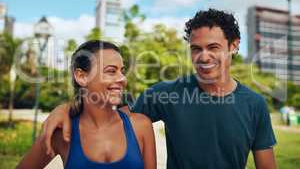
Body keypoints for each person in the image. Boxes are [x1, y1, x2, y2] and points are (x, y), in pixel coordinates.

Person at [41, 9, 277, 169]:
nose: (203, 56)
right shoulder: (166, 94)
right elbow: (107, 117)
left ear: (234, 46)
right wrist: (66, 108)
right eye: (196, 49)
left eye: (213, 47)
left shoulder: (254, 104)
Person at [17, 40, 156, 169]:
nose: (122, 78)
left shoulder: (141, 126)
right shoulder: (62, 132)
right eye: (111, 71)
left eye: (122, 71)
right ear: (81, 77)